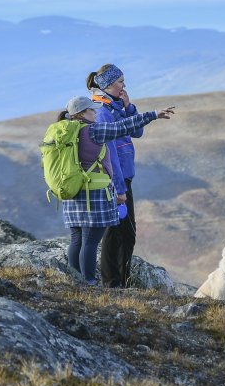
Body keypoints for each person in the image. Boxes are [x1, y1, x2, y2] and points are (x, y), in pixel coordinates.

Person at [57, 95, 174, 286]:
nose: (95, 113)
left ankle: (74, 280)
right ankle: (88, 282)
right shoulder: (93, 131)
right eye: (92, 110)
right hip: (92, 191)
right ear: (83, 113)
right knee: (91, 239)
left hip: (71, 190)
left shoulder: (65, 131)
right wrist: (153, 114)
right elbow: (122, 127)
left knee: (76, 238)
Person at [86, 63, 168, 287]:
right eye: (121, 82)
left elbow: (137, 132)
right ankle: (113, 283)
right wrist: (119, 189)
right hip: (115, 183)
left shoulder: (114, 108)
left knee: (125, 233)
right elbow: (109, 155)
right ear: (110, 84)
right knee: (117, 234)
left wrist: (128, 107)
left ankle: (120, 281)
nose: (124, 86)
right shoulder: (103, 113)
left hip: (123, 181)